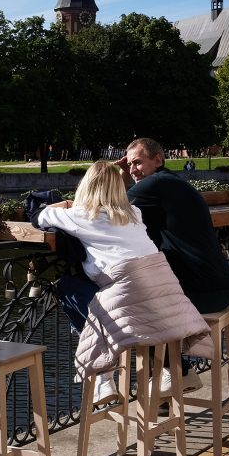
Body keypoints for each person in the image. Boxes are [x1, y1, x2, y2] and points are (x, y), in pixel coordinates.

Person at [34, 160, 211, 405]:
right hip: (167, 293)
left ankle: (102, 378)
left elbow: (38, 216)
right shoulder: (134, 213)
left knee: (68, 287)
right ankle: (178, 368)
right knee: (121, 300)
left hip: (132, 295)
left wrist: (64, 204)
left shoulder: (80, 215)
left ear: (86, 186)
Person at [116, 137, 229, 395]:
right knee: (140, 299)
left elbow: (101, 211)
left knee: (131, 309)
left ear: (158, 160)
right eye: (128, 165)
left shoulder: (154, 184)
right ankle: (170, 384)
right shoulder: (173, 183)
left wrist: (115, 175)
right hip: (219, 287)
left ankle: (178, 372)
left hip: (203, 294)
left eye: (137, 162)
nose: (132, 169)